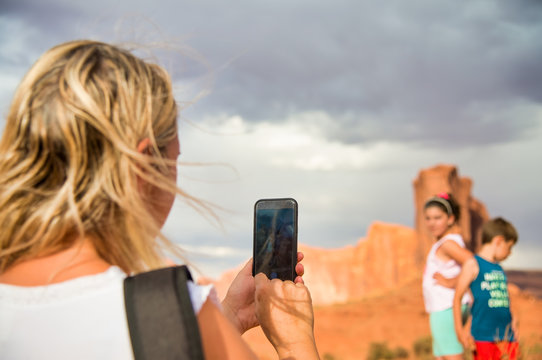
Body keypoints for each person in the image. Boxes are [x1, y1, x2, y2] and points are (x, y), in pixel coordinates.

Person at [0, 40, 320, 359]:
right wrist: (295, 342)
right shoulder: (166, 315)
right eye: (174, 159)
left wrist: (230, 317)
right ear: (142, 167)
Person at [453, 217, 519, 360]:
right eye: (509, 247)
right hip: (483, 336)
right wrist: (459, 330)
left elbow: (504, 297)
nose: (510, 253)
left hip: (507, 336)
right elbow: (457, 297)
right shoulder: (473, 264)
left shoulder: (499, 268)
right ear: (499, 241)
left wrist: (513, 320)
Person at [422, 192, 473, 360]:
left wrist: (452, 282)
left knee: (452, 356)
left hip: (446, 308)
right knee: (442, 356)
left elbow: (473, 263)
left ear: (450, 219)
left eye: (437, 218)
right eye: (428, 218)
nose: (432, 223)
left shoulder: (448, 244)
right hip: (444, 307)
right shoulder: (446, 242)